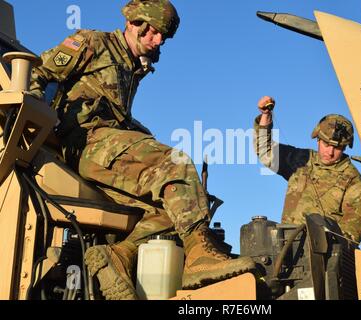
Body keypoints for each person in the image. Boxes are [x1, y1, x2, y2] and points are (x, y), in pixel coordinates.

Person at [29, 0, 255, 300]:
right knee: (176, 163)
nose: (158, 40)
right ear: (135, 24)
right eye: (154, 32)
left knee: (174, 209)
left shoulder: (130, 66)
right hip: (87, 142)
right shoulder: (92, 42)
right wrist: (31, 117)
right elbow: (39, 73)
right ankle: (201, 256)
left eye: (164, 36)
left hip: (105, 146)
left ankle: (118, 256)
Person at [253, 96, 361, 243]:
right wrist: (266, 117)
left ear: (345, 147)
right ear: (318, 139)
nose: (330, 152)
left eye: (337, 147)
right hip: (288, 248)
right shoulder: (301, 159)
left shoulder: (353, 179)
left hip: (324, 256)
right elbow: (265, 151)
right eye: (326, 144)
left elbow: (353, 230)